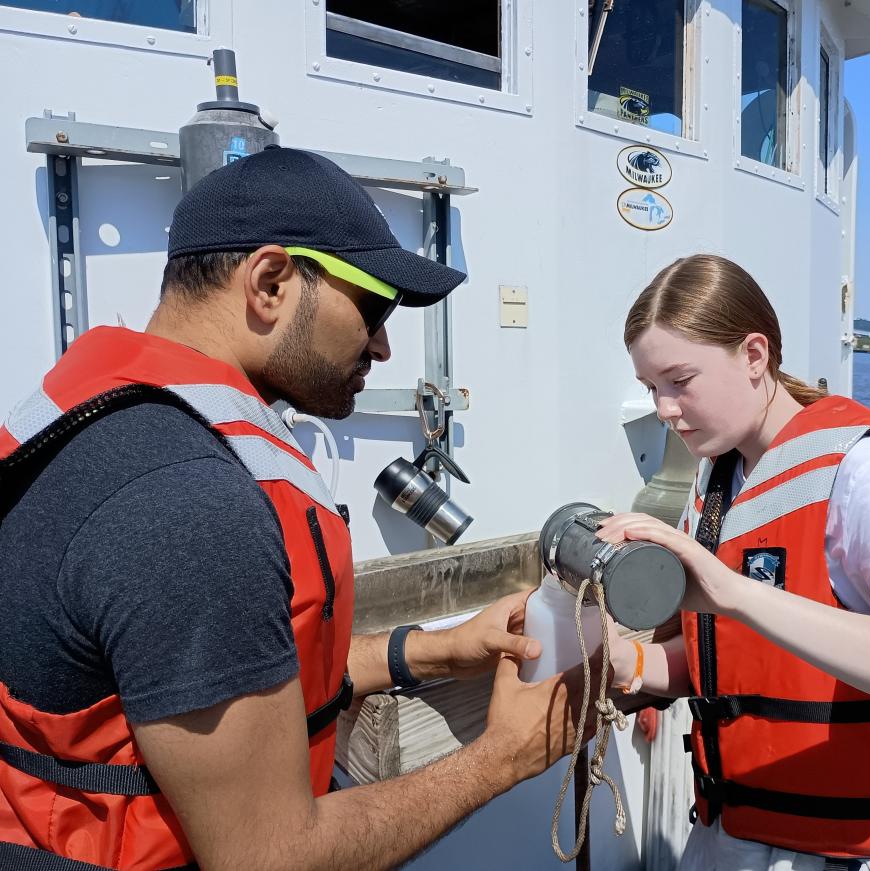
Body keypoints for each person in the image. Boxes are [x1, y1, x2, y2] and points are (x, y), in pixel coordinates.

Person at [0, 147, 588, 871]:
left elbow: (221, 680)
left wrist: (435, 648)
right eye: (373, 307)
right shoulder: (189, 505)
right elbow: (272, 858)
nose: (382, 342)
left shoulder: (107, 425)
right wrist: (501, 757)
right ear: (271, 282)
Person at [598, 254, 870, 870]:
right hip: (735, 833)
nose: (662, 407)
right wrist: (615, 659)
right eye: (651, 388)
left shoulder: (864, 473)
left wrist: (733, 591)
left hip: (852, 851)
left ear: (755, 356)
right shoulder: (718, 479)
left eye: (680, 380)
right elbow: (727, 660)